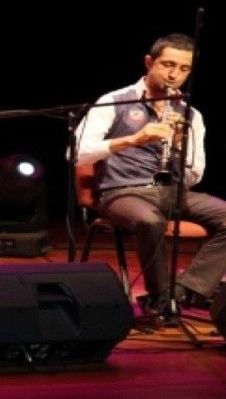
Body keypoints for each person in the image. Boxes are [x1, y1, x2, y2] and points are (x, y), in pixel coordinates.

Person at [76, 33, 226, 321]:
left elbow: (194, 176)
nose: (174, 75)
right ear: (149, 62)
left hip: (172, 192)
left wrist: (180, 148)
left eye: (184, 69)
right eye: (168, 64)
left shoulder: (191, 115)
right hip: (122, 192)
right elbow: (77, 154)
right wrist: (133, 139)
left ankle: (181, 293)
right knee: (149, 220)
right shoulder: (113, 101)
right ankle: (159, 295)